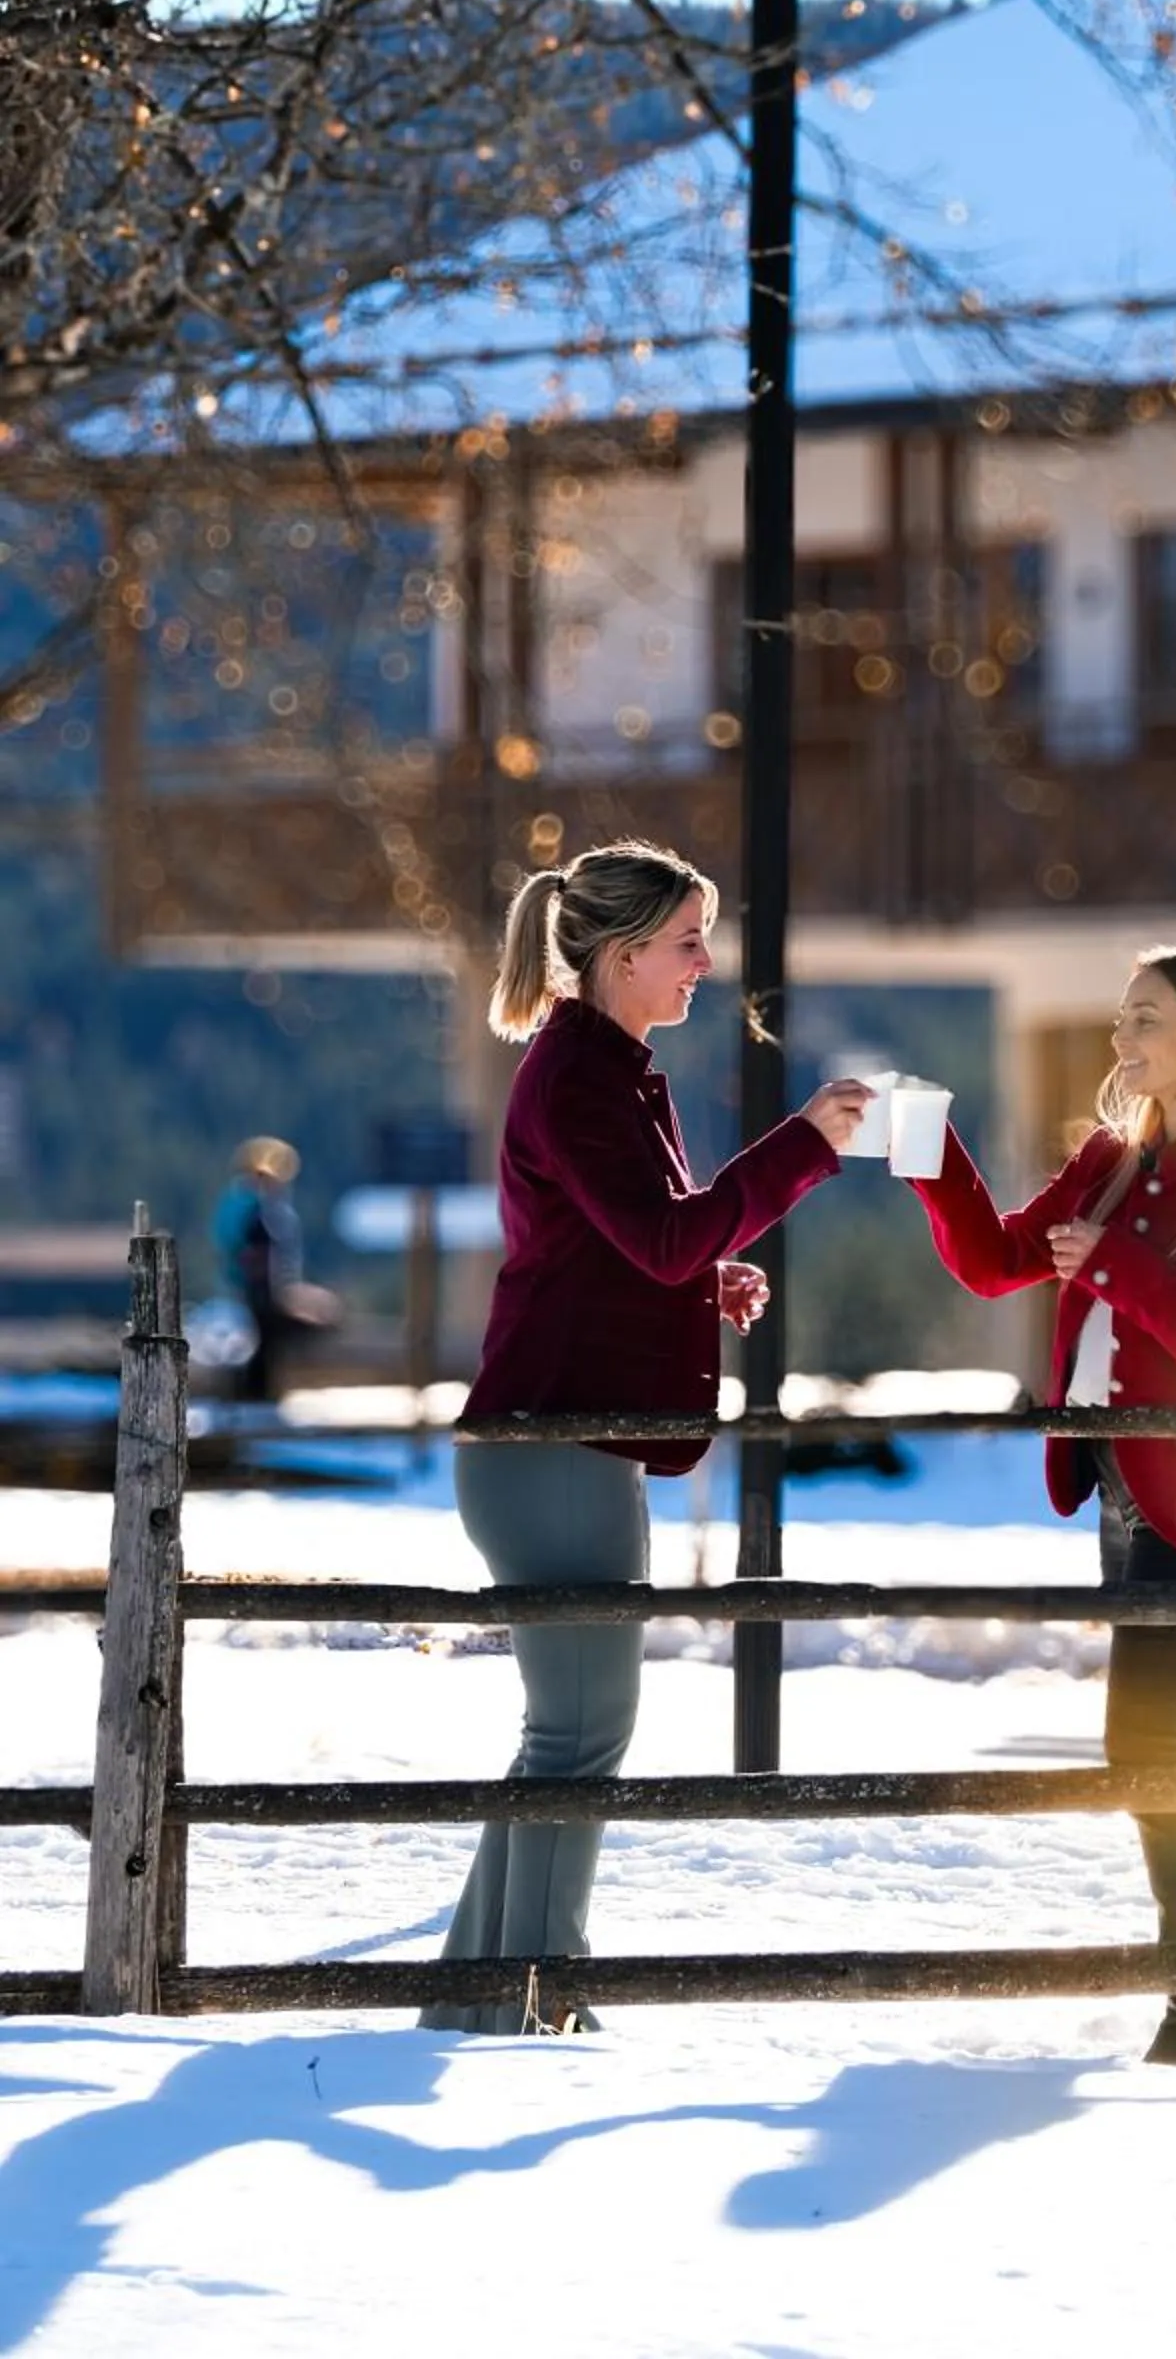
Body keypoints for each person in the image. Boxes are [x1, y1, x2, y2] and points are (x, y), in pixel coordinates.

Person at [419, 838, 871, 2035]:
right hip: (549, 1450)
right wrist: (803, 1148)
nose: (701, 964)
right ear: (620, 955)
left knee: (560, 1737)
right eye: (683, 943)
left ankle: (478, 2003)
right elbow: (661, 1236)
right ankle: (542, 2000)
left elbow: (629, 1246)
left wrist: (692, 1283)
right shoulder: (579, 1075)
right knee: (581, 1733)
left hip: (551, 1444)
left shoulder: (607, 1069)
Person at [906, 944, 1176, 2067]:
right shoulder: (1106, 1158)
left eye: (1147, 1020)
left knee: (1143, 1741)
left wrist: (1113, 1269)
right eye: (1122, 1018)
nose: (1121, 1039)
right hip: (1126, 1496)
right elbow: (995, 1262)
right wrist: (923, 1144)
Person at [211, 1136, 339, 1404]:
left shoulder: (239, 1203)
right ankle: (257, 1397)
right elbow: (256, 1252)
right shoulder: (254, 1208)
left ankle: (257, 1395)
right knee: (266, 1344)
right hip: (259, 1289)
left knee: (265, 1344)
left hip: (253, 1289)